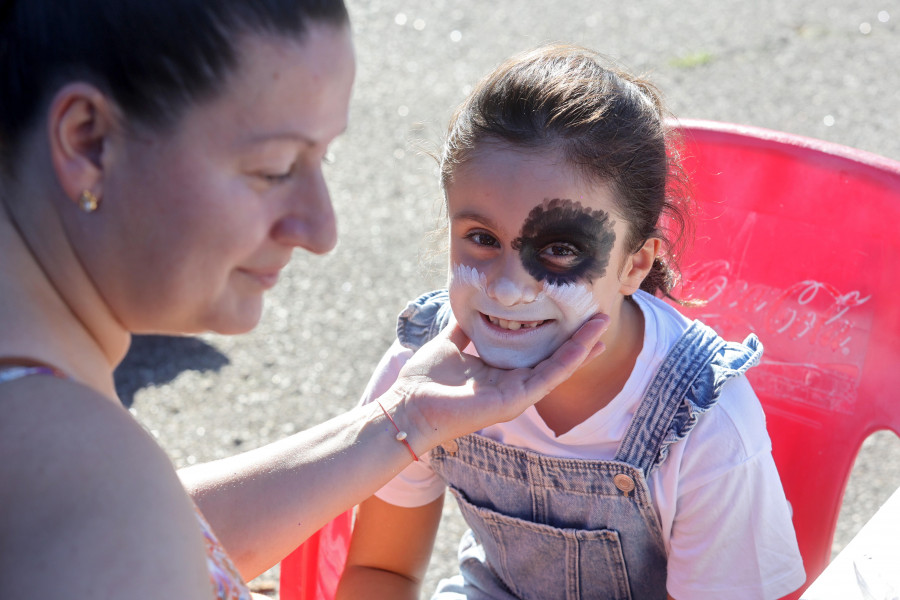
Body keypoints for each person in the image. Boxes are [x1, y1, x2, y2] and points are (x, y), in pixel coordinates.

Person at [0, 2, 610, 599]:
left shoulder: (62, 464)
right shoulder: (80, 488)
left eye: (322, 159)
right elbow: (119, 534)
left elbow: (159, 532)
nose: (321, 231)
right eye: (274, 168)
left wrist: (405, 419)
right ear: (87, 141)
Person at [336, 45, 806, 600]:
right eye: (482, 239)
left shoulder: (706, 426)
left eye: (560, 249)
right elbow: (381, 573)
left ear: (634, 264)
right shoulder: (425, 374)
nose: (509, 288)